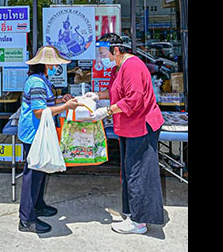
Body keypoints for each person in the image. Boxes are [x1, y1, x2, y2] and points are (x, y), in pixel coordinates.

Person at [86, 33, 165, 235]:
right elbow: (115, 92)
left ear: (116, 50)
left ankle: (139, 222)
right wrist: (97, 96)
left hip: (141, 126)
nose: (102, 57)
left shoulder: (133, 66)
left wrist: (107, 111)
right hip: (128, 126)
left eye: (104, 53)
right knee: (129, 171)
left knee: (139, 172)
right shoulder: (118, 67)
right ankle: (132, 212)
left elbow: (133, 100)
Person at [17, 46, 80, 234]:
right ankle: (26, 219)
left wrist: (61, 100)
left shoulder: (40, 79)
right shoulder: (37, 82)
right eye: (53, 64)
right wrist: (66, 106)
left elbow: (45, 103)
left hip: (38, 132)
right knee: (33, 174)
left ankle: (38, 205)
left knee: (40, 170)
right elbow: (39, 111)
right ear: (45, 64)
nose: (55, 67)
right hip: (34, 134)